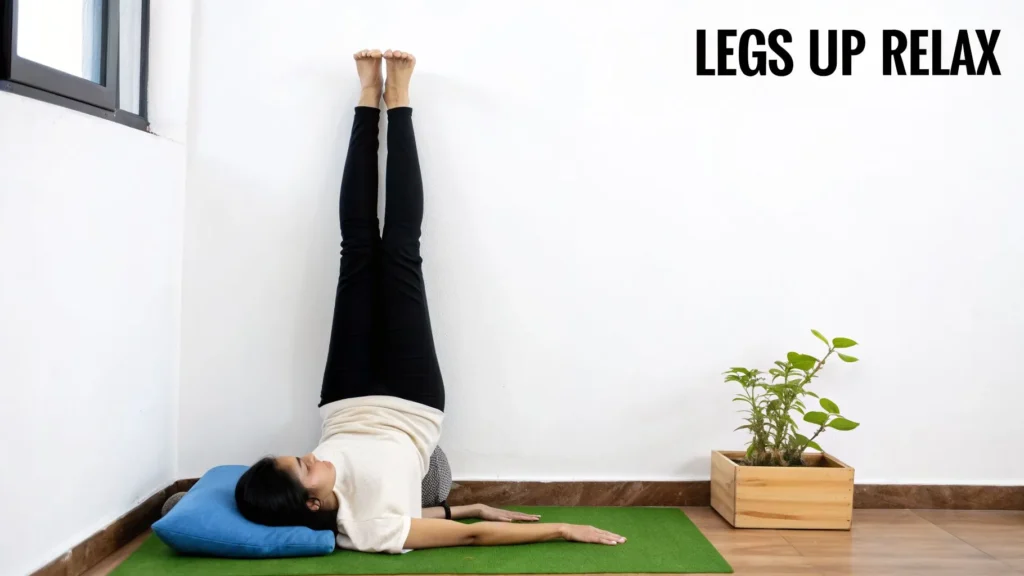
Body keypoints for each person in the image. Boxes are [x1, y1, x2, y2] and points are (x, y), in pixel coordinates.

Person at [234, 49, 627, 554]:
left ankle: (365, 100)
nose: (311, 457)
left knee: (356, 247)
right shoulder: (371, 529)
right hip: (411, 399)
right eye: (307, 467)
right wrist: (563, 528)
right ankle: (398, 102)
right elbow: (469, 536)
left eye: (301, 456)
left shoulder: (327, 487)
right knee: (400, 250)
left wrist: (463, 505)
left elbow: (434, 511)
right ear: (314, 504)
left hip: (345, 397)